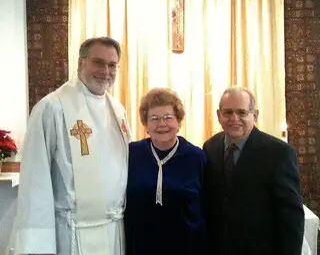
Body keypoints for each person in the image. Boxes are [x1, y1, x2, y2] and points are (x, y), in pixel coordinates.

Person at [14, 37, 131, 255]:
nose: (105, 71)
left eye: (112, 65)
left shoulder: (118, 111)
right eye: (98, 62)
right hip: (72, 234)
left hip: (114, 231)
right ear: (81, 63)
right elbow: (35, 181)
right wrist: (38, 245)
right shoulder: (52, 108)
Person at [203, 86, 305, 255]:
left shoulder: (279, 153)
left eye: (242, 112)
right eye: (228, 112)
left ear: (255, 115)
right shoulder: (210, 147)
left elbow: (291, 218)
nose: (234, 118)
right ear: (218, 115)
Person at [124, 88, 208, 255]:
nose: (162, 124)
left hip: (186, 247)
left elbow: (208, 207)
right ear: (146, 124)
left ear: (178, 122)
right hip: (141, 247)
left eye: (168, 117)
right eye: (154, 118)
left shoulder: (196, 157)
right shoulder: (131, 154)